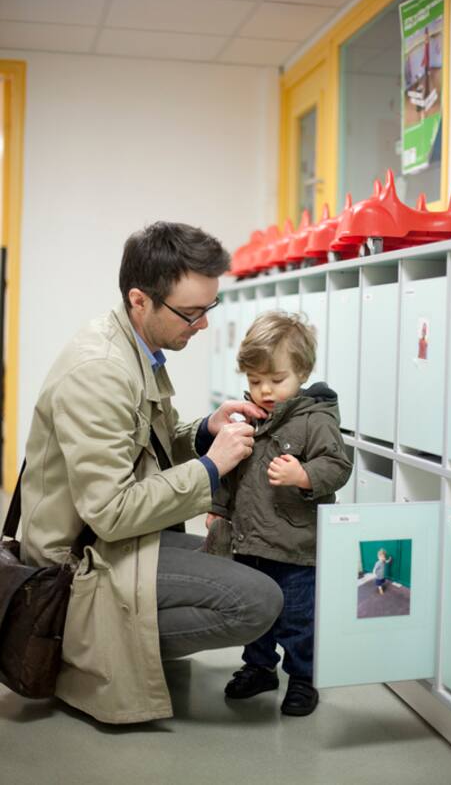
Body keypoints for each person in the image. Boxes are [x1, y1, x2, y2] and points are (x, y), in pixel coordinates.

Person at [20, 221, 284, 724]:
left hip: (107, 541)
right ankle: (88, 647)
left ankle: (120, 639)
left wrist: (205, 430)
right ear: (140, 300)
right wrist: (212, 466)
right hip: (75, 564)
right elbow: (112, 511)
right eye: (191, 312)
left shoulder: (136, 346)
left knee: (233, 558)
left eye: (209, 307)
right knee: (258, 601)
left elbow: (146, 447)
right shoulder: (100, 370)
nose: (202, 325)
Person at [205, 311, 352, 716]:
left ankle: (303, 677)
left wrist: (303, 475)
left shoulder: (316, 420)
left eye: (276, 379)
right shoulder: (248, 418)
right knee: (255, 614)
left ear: (302, 372)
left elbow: (337, 466)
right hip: (249, 541)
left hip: (295, 547)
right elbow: (229, 470)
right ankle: (259, 667)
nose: (265, 390)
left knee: (297, 619)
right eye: (255, 381)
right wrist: (217, 509)